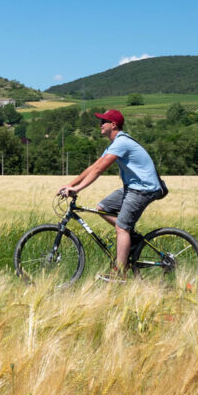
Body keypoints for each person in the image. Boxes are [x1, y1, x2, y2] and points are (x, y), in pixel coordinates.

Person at [58, 109, 164, 279]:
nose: (100, 125)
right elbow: (94, 166)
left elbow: (100, 169)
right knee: (103, 207)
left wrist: (77, 189)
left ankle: (119, 273)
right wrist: (70, 184)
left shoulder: (121, 142)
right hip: (132, 187)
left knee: (121, 227)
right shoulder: (114, 144)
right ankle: (132, 239)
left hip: (143, 189)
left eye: (103, 122)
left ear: (113, 125)